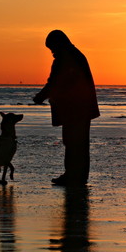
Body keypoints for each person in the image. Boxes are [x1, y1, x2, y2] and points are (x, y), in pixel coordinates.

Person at [33, 29, 100, 185]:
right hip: (81, 108)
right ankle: (78, 176)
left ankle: (73, 176)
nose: (51, 52)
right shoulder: (75, 55)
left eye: (52, 48)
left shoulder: (65, 58)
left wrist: (40, 97)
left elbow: (54, 82)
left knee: (73, 143)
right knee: (79, 144)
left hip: (75, 109)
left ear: (58, 44)